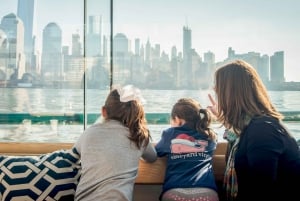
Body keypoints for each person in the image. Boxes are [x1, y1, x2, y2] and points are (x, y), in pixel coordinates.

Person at [207, 59, 300, 201]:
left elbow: (262, 191)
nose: (216, 94)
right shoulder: (253, 128)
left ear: (230, 94)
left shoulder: (263, 131)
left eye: (218, 91)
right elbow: (240, 134)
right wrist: (225, 120)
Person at [73, 85, 157, 201]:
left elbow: (74, 154)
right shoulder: (138, 137)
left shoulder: (89, 133)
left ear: (103, 111)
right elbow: (152, 157)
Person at [155, 98, 219, 201]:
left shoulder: (170, 134)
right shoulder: (209, 135)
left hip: (175, 193)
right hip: (207, 193)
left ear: (177, 119)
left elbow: (157, 152)